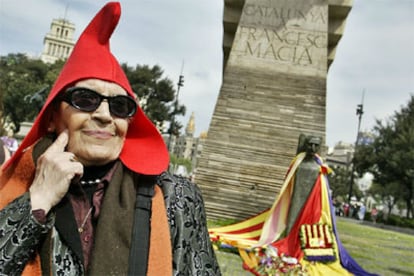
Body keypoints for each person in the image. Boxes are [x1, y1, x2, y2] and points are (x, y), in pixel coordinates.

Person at [0, 2, 220, 275]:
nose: (104, 115)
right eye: (85, 100)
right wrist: (37, 201)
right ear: (54, 117)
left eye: (119, 106)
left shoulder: (175, 198)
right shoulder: (12, 188)